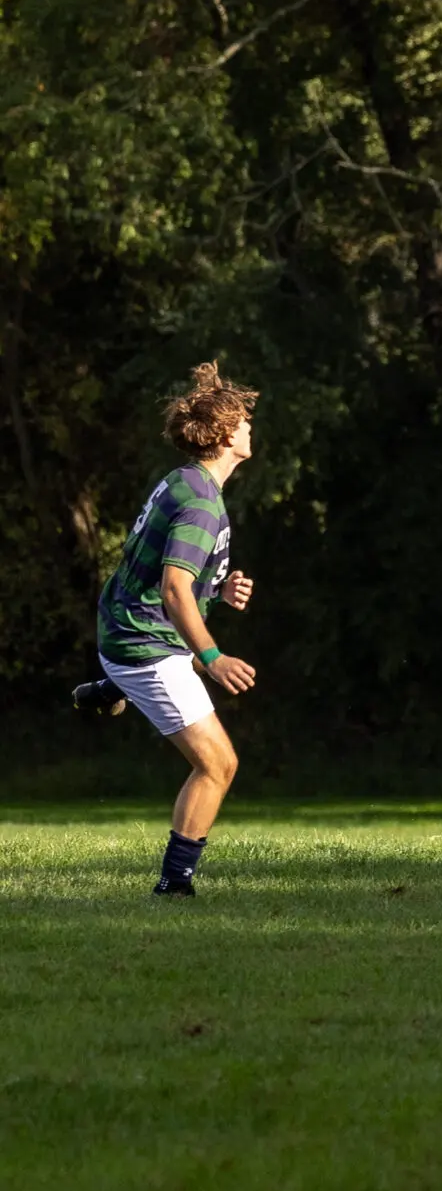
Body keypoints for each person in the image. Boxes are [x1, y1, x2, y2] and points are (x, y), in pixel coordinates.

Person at [71, 365, 262, 897]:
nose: (251, 427)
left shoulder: (184, 480)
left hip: (127, 628)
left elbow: (169, 576)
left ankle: (111, 686)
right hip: (144, 645)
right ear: (226, 435)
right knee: (218, 765)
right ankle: (174, 885)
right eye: (244, 420)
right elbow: (175, 590)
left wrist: (218, 590)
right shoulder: (201, 502)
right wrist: (214, 658)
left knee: (212, 756)